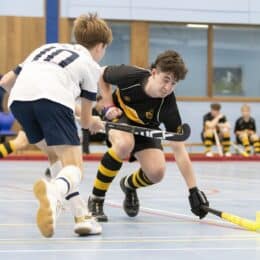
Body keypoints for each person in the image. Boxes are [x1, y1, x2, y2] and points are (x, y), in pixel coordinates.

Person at [0, 13, 112, 237]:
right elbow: (88, 122)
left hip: (19, 102)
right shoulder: (90, 65)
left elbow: (5, 82)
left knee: (57, 158)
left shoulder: (47, 48)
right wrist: (95, 123)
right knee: (75, 168)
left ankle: (81, 217)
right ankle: (54, 191)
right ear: (100, 46)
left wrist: (34, 101)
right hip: (53, 99)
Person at [87, 50, 209, 222]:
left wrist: (193, 190)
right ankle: (96, 199)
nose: (168, 87)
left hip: (146, 129)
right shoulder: (130, 76)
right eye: (165, 79)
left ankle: (128, 185)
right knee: (124, 144)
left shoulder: (169, 107)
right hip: (120, 118)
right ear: (154, 73)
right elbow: (101, 74)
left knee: (157, 173)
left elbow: (179, 149)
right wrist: (107, 105)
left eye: (173, 83)